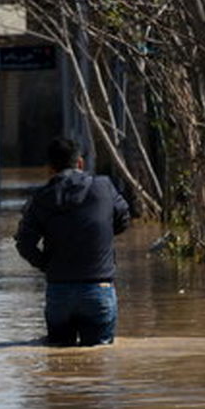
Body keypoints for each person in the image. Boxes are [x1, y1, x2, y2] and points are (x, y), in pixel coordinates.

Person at [15, 136, 131, 346]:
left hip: (59, 292)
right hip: (99, 288)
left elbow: (24, 244)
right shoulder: (104, 187)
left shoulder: (41, 198)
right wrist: (99, 238)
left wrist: (48, 265)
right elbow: (123, 220)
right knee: (99, 362)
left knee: (59, 360)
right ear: (80, 163)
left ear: (49, 169)